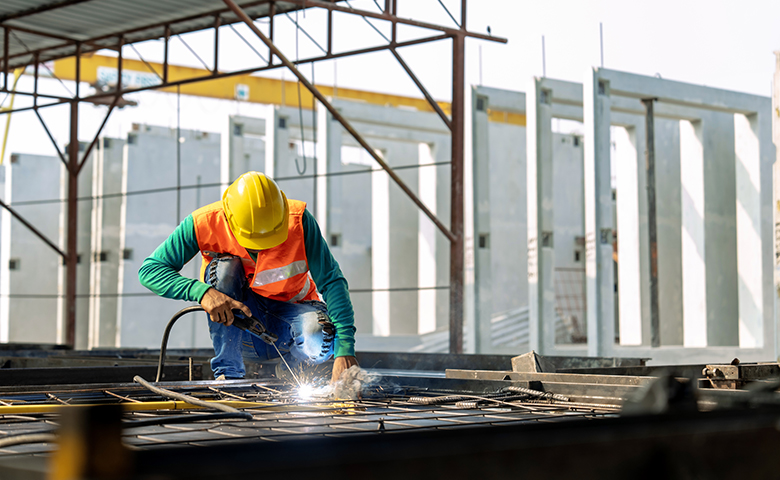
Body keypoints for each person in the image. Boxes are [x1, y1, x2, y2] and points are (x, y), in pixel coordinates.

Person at [139, 172, 358, 383]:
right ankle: (228, 374)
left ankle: (293, 370)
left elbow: (332, 281)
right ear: (229, 220)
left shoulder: (299, 222)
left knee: (319, 335)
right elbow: (150, 270)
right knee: (224, 271)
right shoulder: (204, 223)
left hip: (291, 322)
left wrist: (345, 351)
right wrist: (202, 292)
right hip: (242, 326)